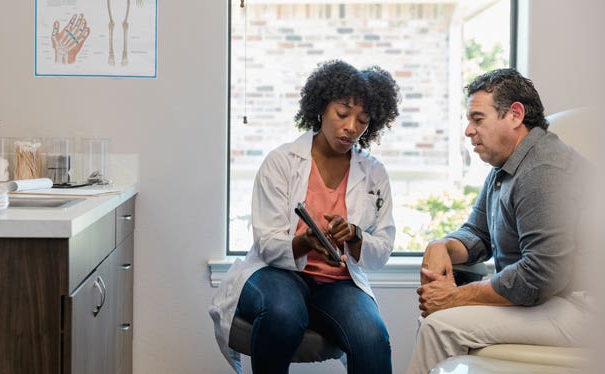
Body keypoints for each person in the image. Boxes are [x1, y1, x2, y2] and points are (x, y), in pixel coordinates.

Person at [209, 60, 400, 373]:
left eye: (363, 120)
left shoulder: (374, 173)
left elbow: (382, 251)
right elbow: (268, 244)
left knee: (371, 336)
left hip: (338, 282)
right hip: (276, 274)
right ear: (321, 108)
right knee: (283, 314)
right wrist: (305, 242)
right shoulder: (281, 162)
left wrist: (354, 235)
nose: (352, 127)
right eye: (342, 114)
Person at [407, 68, 594, 374]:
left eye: (477, 119)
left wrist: (455, 297)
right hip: (553, 300)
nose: (468, 130)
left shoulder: (542, 169)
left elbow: (541, 275)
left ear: (515, 115)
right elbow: (478, 233)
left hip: (581, 308)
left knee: (439, 326)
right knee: (435, 319)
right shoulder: (505, 166)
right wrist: (442, 246)